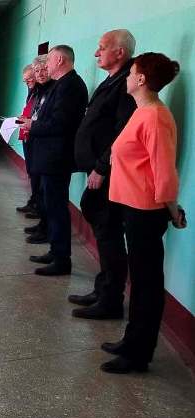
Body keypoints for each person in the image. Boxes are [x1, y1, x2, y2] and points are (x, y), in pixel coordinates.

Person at [101, 52, 186, 374]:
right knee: (139, 281)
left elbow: (164, 172)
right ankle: (131, 341)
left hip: (146, 211)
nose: (125, 78)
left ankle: (138, 354)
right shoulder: (142, 112)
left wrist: (173, 211)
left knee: (146, 284)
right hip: (132, 206)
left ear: (141, 79)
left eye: (130, 73)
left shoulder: (155, 117)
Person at [68, 29, 138, 320]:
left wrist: (101, 166)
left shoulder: (127, 84)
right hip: (97, 168)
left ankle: (110, 300)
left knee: (109, 234)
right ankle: (103, 289)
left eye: (102, 47)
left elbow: (122, 133)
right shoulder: (113, 80)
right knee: (103, 231)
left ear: (119, 52)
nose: (96, 53)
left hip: (109, 173)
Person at [21, 45, 88, 276]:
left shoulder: (70, 86)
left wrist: (33, 125)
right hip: (50, 156)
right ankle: (56, 250)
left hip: (57, 158)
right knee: (52, 205)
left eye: (48, 61)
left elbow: (61, 124)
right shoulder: (61, 84)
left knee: (57, 207)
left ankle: (61, 259)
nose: (45, 66)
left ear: (59, 60)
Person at [22, 55, 53, 245]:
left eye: (43, 70)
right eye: (37, 71)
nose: (40, 74)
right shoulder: (39, 91)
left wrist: (32, 124)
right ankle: (42, 224)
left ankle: (47, 229)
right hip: (35, 140)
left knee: (47, 192)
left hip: (48, 148)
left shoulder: (54, 90)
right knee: (37, 183)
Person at [15, 64, 37, 214]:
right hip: (27, 134)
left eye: (29, 79)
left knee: (36, 173)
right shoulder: (32, 92)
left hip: (36, 135)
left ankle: (37, 204)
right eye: (25, 80)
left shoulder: (43, 92)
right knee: (31, 171)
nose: (27, 83)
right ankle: (33, 201)